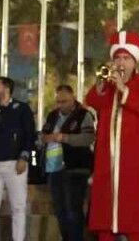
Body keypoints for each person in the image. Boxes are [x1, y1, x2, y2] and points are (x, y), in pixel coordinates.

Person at [86, 30, 139, 241]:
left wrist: (123, 88)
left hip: (131, 159)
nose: (121, 62)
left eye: (126, 58)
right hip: (106, 158)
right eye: (117, 58)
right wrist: (100, 84)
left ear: (135, 61)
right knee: (105, 213)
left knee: (133, 213)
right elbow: (92, 101)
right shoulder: (107, 85)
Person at [0, 76, 36, 241]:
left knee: (18, 207)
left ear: (6, 88)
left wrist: (24, 156)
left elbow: (29, 134)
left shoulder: (22, 108)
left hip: (15, 163)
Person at [39, 84, 96, 241]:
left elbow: (88, 138)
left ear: (73, 98)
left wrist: (64, 138)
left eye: (64, 101)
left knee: (73, 211)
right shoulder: (52, 115)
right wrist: (44, 138)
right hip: (54, 169)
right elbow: (44, 134)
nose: (61, 105)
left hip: (75, 168)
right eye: (58, 101)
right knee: (60, 211)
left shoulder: (83, 115)